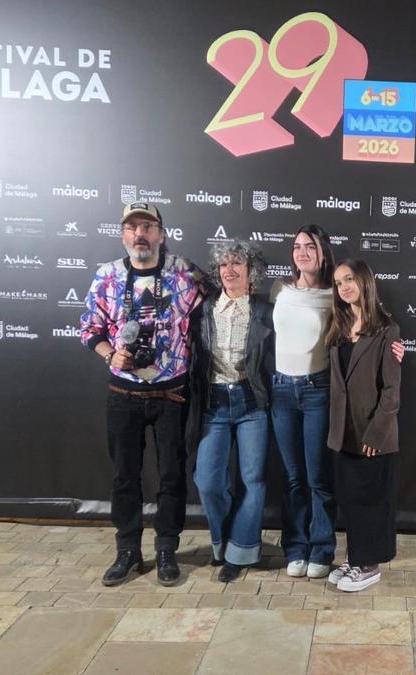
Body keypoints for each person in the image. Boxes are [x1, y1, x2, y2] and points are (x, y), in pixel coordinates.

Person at [80, 202, 207, 587]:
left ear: (161, 235)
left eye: (148, 226)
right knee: (125, 475)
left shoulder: (185, 272)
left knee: (171, 474)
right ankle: (128, 550)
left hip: (172, 393)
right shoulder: (106, 276)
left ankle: (167, 548)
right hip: (124, 392)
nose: (140, 234)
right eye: (133, 227)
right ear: (123, 235)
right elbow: (90, 329)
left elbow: (225, 297)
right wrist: (110, 354)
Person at [271, 225, 405, 580]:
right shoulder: (281, 290)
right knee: (295, 478)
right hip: (283, 392)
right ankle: (299, 548)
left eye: (310, 246)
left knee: (320, 480)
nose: (302, 252)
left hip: (318, 393)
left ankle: (325, 550)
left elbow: (373, 327)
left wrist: (395, 348)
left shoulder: (340, 302)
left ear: (322, 253)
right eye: (297, 246)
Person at [186, 240, 274, 584]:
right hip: (215, 403)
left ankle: (240, 552)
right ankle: (222, 542)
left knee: (253, 480)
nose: (229, 270)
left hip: (252, 402)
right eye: (224, 265)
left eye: (237, 263)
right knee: (208, 481)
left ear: (251, 271)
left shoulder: (264, 311)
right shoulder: (204, 309)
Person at [324, 259, 402, 592]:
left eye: (349, 279)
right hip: (344, 432)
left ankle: (370, 565)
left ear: (365, 282)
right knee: (351, 499)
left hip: (373, 433)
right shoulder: (337, 326)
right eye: (338, 282)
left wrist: (377, 431)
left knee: (372, 500)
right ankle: (356, 556)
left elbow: (391, 391)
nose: (344, 287)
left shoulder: (387, 330)